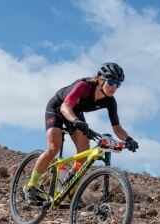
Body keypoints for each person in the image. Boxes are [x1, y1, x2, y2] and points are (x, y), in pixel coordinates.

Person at [24, 62, 139, 203]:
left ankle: (71, 186)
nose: (114, 87)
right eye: (111, 81)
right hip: (58, 107)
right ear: (101, 79)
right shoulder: (84, 85)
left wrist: (128, 139)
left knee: (84, 151)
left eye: (118, 84)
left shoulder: (110, 101)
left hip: (75, 112)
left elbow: (117, 127)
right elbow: (65, 106)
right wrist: (75, 121)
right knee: (54, 147)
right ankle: (31, 186)